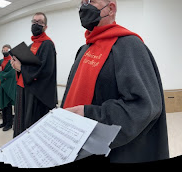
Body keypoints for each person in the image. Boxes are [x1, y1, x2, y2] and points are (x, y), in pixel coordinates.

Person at [61, 0, 168, 163]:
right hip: (75, 145)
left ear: (110, 9)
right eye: (82, 3)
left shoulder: (130, 46)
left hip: (113, 151)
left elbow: (145, 106)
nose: (84, 6)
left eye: (90, 1)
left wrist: (91, 115)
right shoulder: (84, 49)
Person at [11, 12, 57, 137]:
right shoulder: (31, 45)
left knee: (30, 123)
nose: (36, 24)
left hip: (35, 92)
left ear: (45, 27)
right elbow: (28, 66)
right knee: (20, 120)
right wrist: (16, 65)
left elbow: (46, 70)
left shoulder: (47, 44)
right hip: (23, 88)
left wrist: (22, 68)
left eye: (40, 22)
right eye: (34, 21)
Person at [0, 45, 16, 131]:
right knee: (2, 105)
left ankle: (9, 124)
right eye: (3, 50)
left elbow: (11, 74)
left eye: (6, 50)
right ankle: (4, 122)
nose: (4, 52)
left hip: (7, 85)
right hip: (1, 85)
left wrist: (0, 72)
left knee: (7, 105)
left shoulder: (12, 61)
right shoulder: (1, 61)